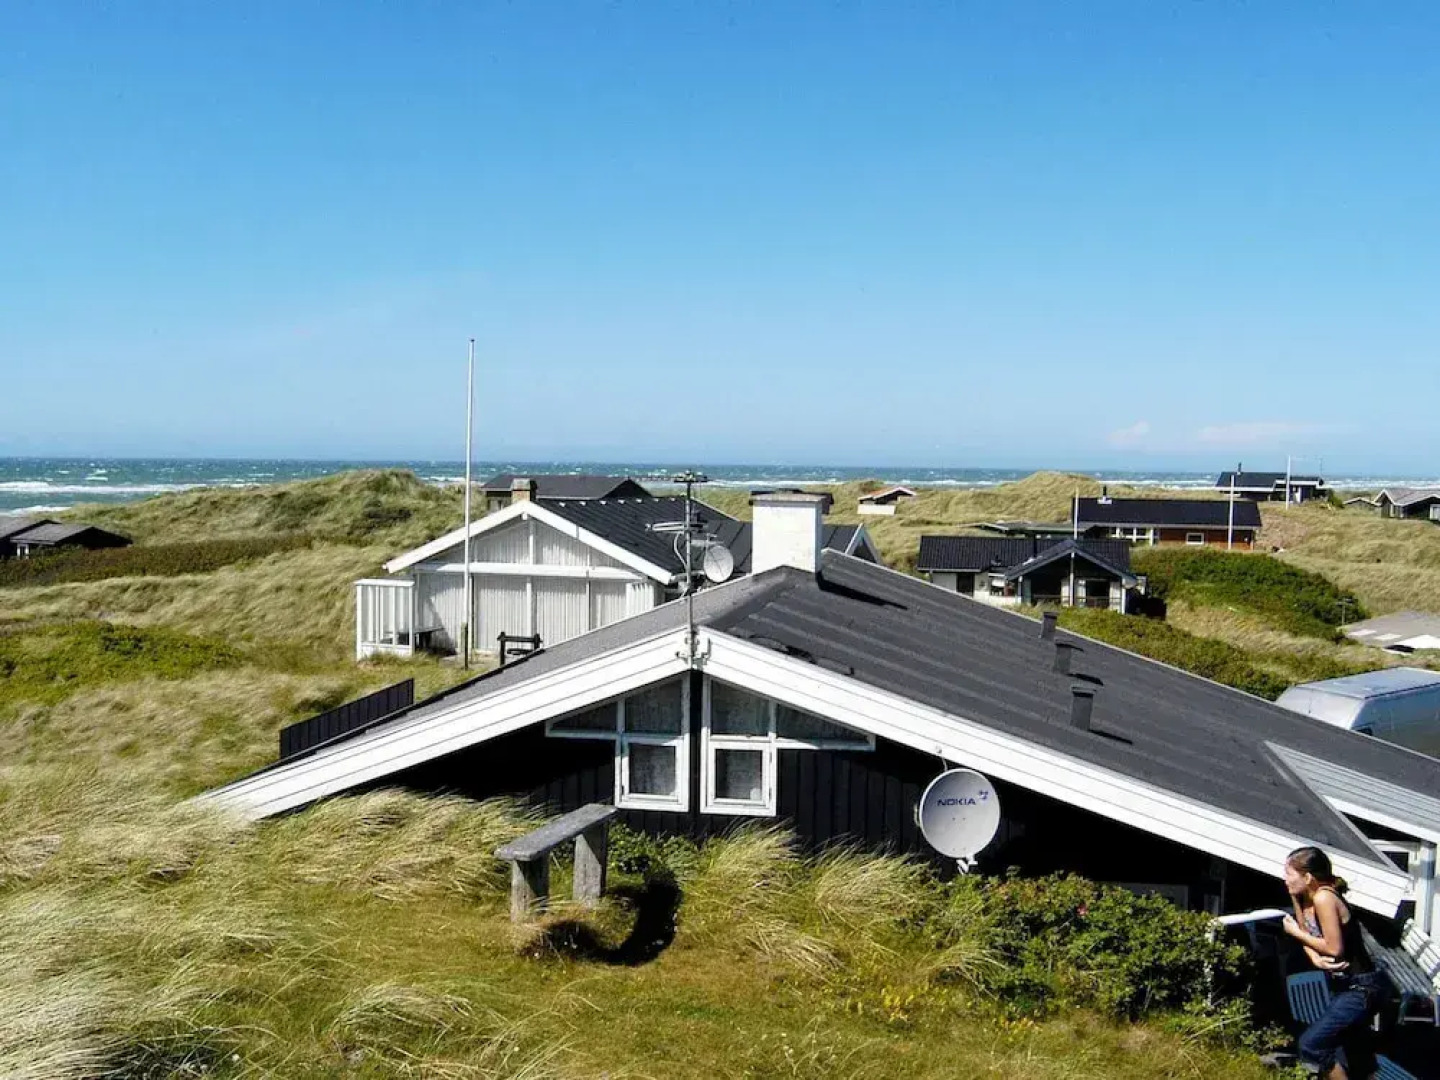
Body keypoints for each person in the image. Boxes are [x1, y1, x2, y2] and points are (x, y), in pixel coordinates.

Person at [1281, 846, 1391, 1079]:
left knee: (1312, 1044)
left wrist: (1295, 934)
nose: (1284, 878)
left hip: (1362, 987)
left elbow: (1333, 948)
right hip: (1344, 987)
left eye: (1289, 873)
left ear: (1308, 877)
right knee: (1356, 1054)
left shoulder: (1324, 897)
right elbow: (1307, 934)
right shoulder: (1307, 899)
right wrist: (1314, 957)